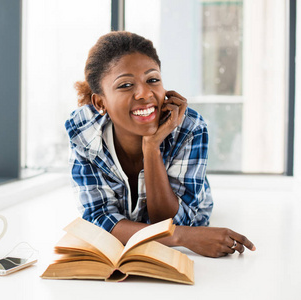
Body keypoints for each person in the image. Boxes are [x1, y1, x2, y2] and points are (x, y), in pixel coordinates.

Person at [65, 31, 255, 258]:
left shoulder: (189, 127)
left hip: (191, 212)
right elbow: (99, 221)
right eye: (125, 85)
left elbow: (175, 220)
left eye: (152, 80)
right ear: (99, 102)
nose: (145, 93)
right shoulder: (83, 132)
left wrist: (152, 148)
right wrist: (183, 237)